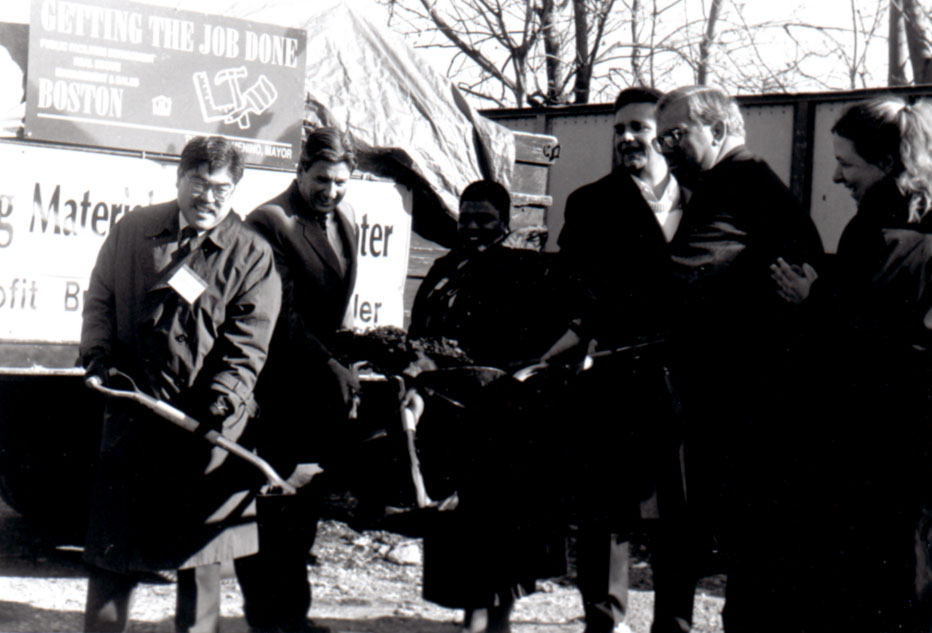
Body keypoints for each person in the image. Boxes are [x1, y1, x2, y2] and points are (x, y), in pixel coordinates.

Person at [79, 135, 282, 633]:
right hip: (134, 419)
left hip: (206, 434)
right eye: (199, 183)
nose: (208, 198)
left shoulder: (252, 255)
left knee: (200, 563)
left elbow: (248, 345)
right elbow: (100, 298)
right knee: (113, 558)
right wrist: (98, 355)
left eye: (222, 188)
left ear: (235, 190)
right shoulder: (134, 230)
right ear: (180, 178)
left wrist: (221, 401)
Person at [654, 85, 824, 632]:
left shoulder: (737, 184)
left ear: (719, 131)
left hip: (748, 402)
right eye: (661, 140)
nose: (666, 149)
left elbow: (681, 276)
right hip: (747, 395)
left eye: (676, 136)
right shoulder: (737, 183)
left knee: (744, 552)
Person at [771, 96, 932, 633]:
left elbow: (875, 344)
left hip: (877, 446)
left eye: (847, 163)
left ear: (886, 163)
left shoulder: (880, 234)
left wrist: (812, 302)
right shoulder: (915, 223)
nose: (837, 177)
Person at [542, 87, 690, 633]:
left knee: (679, 514)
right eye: (619, 128)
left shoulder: (698, 199)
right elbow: (574, 286)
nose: (627, 138)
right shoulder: (591, 202)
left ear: (667, 135)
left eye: (639, 127)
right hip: (612, 376)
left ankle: (674, 623)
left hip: (683, 382)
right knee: (606, 513)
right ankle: (605, 622)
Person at [408, 179, 569, 633]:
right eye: (466, 218)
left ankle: (494, 622)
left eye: (484, 218)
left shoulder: (525, 270)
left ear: (505, 220)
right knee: (459, 527)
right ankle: (471, 615)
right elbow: (421, 329)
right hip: (449, 417)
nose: (474, 227)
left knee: (498, 529)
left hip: (503, 420)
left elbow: (538, 344)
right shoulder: (443, 269)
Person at [234, 127, 360, 633]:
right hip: (275, 386)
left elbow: (336, 310)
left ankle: (294, 617)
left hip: (316, 390)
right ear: (300, 171)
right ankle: (266, 620)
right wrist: (329, 363)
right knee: (271, 508)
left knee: (303, 508)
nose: (331, 191)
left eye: (341, 181)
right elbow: (279, 315)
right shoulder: (270, 222)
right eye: (322, 179)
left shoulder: (343, 222)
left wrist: (346, 360)